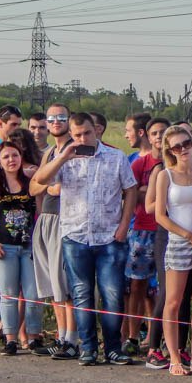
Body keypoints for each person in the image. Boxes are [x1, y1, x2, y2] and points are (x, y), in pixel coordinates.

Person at [33, 112, 137, 366]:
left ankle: (113, 347)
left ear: (96, 131)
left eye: (87, 133)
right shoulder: (64, 158)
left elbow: (130, 189)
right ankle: (88, 348)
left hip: (109, 236)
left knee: (111, 294)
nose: (82, 138)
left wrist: (124, 226)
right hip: (76, 235)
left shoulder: (116, 157)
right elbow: (41, 180)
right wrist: (63, 157)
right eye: (77, 134)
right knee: (81, 293)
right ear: (71, 134)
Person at [0, 142, 42, 356]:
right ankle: (10, 338)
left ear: (21, 158)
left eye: (15, 155)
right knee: (9, 294)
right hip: (4, 248)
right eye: (6, 157)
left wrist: (40, 243)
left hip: (29, 246)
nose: (11, 160)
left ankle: (33, 337)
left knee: (33, 293)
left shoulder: (29, 183)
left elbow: (39, 213)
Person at [155, 125, 192, 376]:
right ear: (170, 150)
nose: (183, 149)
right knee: (173, 301)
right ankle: (174, 356)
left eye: (186, 143)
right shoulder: (165, 175)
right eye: (177, 146)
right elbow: (159, 215)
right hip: (178, 241)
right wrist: (187, 235)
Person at [28, 103, 79, 359]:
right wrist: (48, 186)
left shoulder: (76, 149)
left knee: (65, 285)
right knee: (51, 286)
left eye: (61, 117)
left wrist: (48, 185)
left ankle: (73, 339)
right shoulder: (49, 153)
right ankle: (60, 336)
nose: (56, 121)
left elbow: (67, 187)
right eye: (52, 118)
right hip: (46, 218)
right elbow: (34, 187)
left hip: (66, 220)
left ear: (69, 121)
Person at [123, 116, 169, 357]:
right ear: (147, 137)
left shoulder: (178, 162)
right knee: (137, 285)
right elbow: (128, 192)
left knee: (162, 290)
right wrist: (146, 191)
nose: (159, 137)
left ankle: (156, 338)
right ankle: (132, 335)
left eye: (164, 132)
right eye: (155, 133)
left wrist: (148, 192)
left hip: (169, 231)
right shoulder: (141, 164)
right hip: (142, 229)